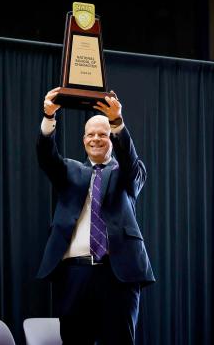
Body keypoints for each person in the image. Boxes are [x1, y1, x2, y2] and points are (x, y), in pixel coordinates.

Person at [37, 87, 155, 345]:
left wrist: (117, 122)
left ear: (111, 139)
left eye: (103, 134)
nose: (96, 139)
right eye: (90, 134)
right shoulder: (70, 171)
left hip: (117, 276)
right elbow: (47, 157)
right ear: (83, 140)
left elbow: (129, 159)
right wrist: (49, 117)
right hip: (74, 274)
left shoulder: (128, 172)